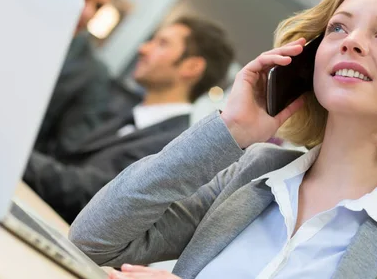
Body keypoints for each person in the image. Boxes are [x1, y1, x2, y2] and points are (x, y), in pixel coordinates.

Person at [69, 0, 377, 279]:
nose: (351, 41)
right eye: (338, 27)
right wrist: (230, 129)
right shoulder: (254, 170)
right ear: (310, 59)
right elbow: (94, 239)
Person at [24, 14, 235, 223]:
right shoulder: (125, 111)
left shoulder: (171, 147)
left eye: (162, 44)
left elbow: (89, 192)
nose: (143, 49)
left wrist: (18, 154)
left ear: (192, 67)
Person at [34, 0, 118, 158]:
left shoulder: (92, 73)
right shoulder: (13, 18)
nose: (88, 12)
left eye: (98, 6)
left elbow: (64, 151)